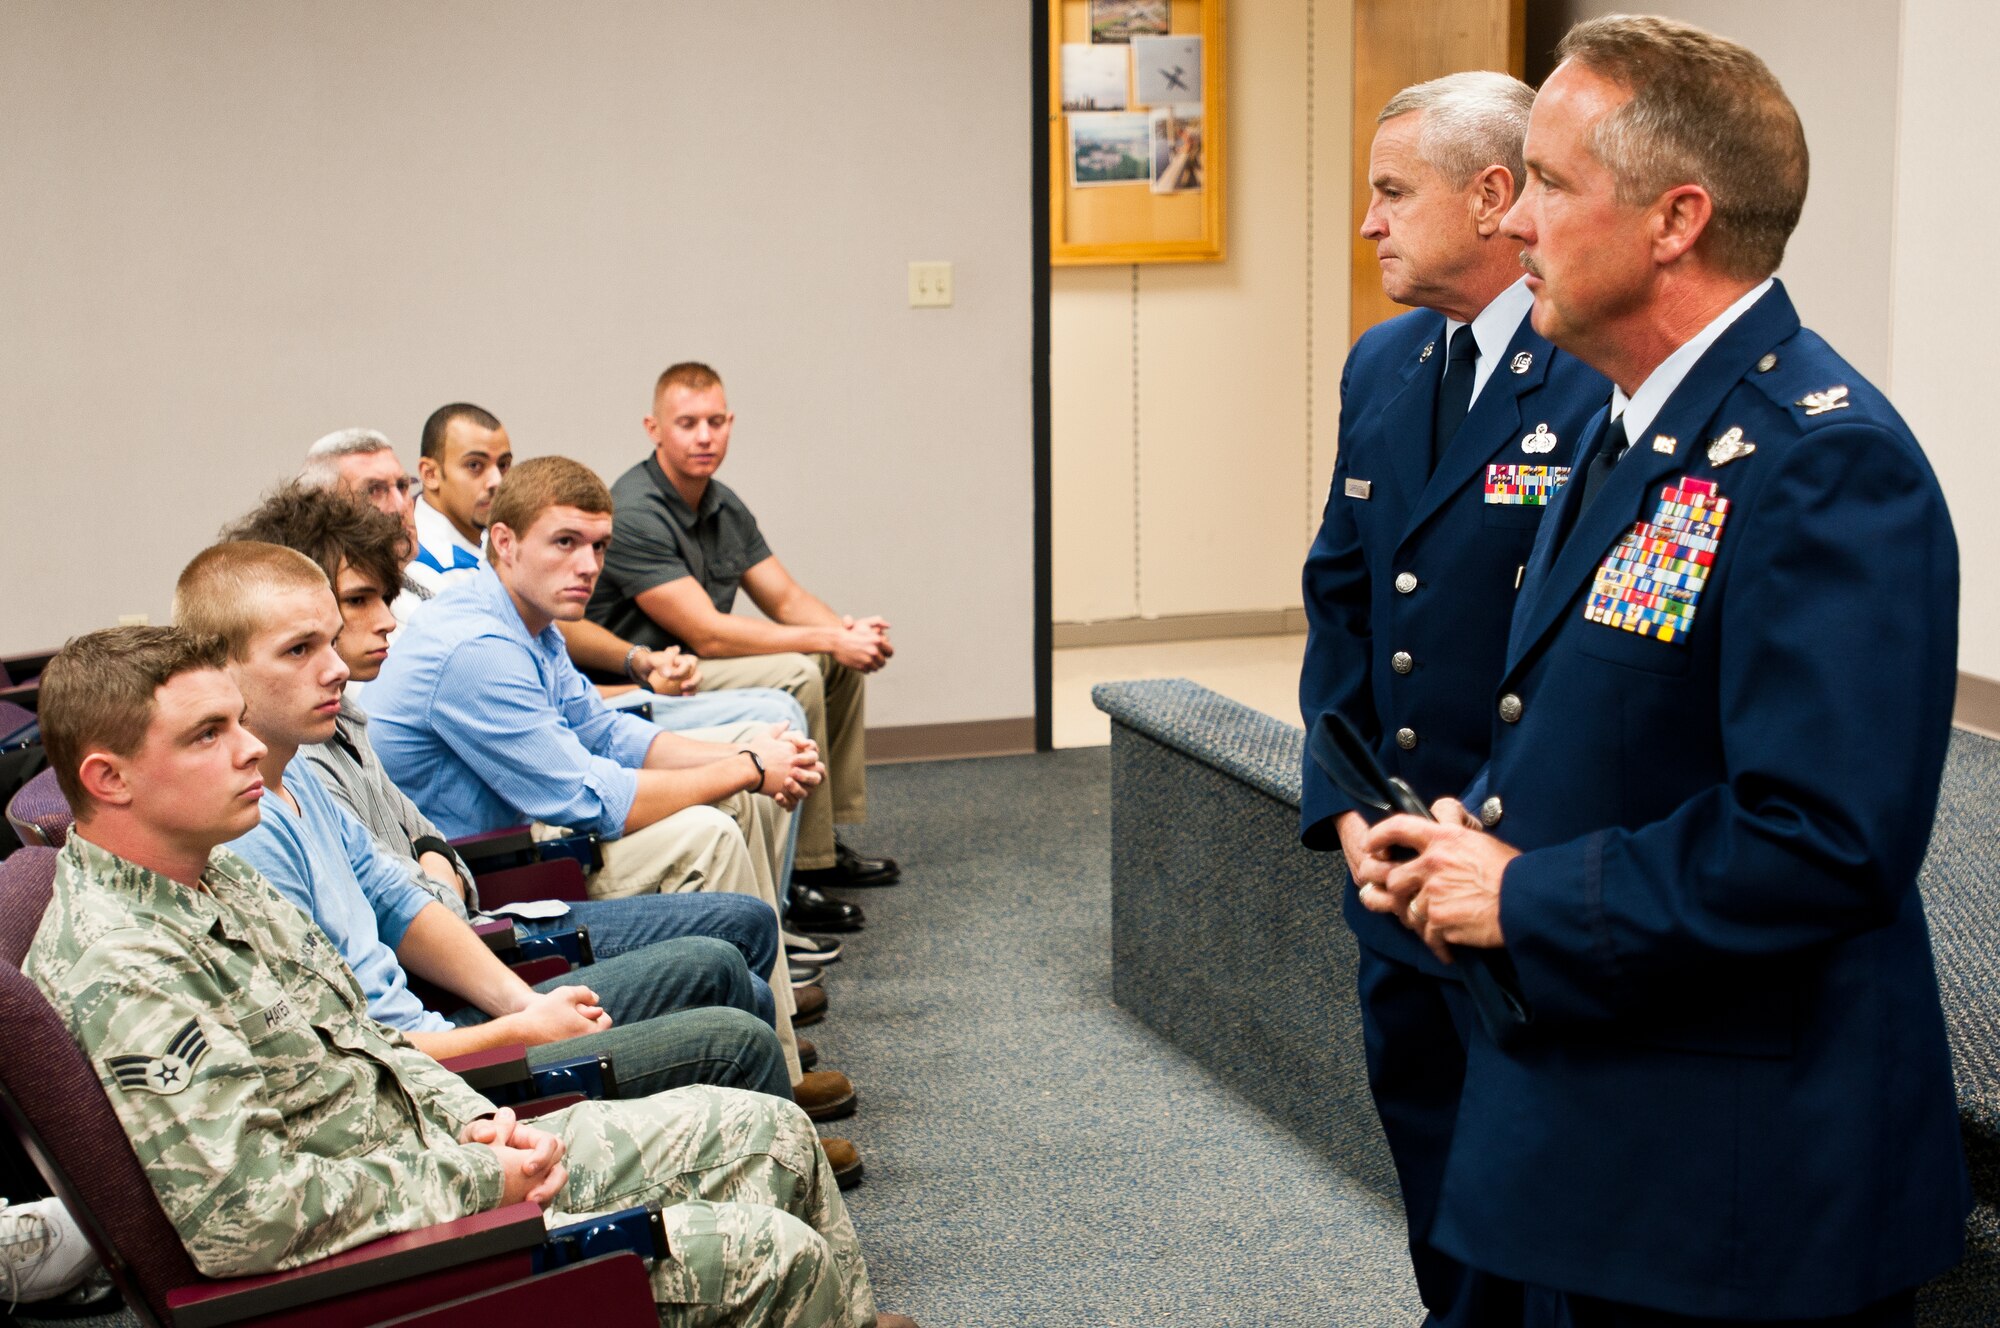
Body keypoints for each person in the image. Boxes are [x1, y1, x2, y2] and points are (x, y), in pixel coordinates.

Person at [1358, 16, 1969, 1325]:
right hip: (1601, 1110)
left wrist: (1523, 892)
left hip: (1736, 1176)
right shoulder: (1639, 424)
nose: (1514, 221)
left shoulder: (1822, 463)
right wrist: (1475, 829)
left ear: (1676, 219)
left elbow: (1821, 837)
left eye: (1553, 183)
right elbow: (1623, 723)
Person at [24, 627, 912, 1326]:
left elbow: (365, 1042)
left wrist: (480, 1125)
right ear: (109, 778)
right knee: (774, 1254)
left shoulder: (213, 872)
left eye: (235, 721)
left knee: (773, 1134)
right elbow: (248, 1219)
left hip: (433, 1161)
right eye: (207, 735)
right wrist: (484, 1179)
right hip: (388, 1257)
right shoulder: (125, 966)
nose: (248, 748)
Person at [211, 485, 855, 1124]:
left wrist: (513, 993)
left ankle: (768, 1101)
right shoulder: (263, 808)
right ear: (505, 544)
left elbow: (419, 854)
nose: (381, 625)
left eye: (346, 625)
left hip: (457, 961)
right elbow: (359, 1050)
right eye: (306, 644)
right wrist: (740, 768)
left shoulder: (314, 759)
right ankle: (771, 1110)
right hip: (449, 1033)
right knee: (724, 939)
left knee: (731, 953)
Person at [1298, 71, 1607, 1328]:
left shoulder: (1589, 374)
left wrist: (1501, 845)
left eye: (1388, 191)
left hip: (1520, 868)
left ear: (1491, 199)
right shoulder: (1381, 363)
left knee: (1532, 1190)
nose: (1367, 223)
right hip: (1395, 864)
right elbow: (1342, 597)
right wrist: (1343, 802)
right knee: (1425, 1145)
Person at [363, 459, 835, 1075]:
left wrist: (743, 760)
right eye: (565, 543)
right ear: (504, 543)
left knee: (733, 790)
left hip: (518, 835)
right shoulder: (476, 647)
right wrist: (748, 766)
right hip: (483, 872)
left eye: (599, 546)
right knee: (708, 829)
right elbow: (588, 799)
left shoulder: (528, 621)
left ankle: (767, 1027)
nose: (588, 565)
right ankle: (774, 1067)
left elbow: (606, 734)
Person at [586, 362, 900, 912]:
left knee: (834, 659)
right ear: (653, 428)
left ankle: (821, 846)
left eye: (715, 421)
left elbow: (784, 598)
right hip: (645, 675)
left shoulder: (721, 502)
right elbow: (707, 634)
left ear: (730, 422)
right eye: (687, 423)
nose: (704, 436)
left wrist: (847, 634)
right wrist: (828, 640)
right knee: (801, 668)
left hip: (697, 663)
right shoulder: (635, 509)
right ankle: (796, 866)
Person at [408, 402, 511, 597]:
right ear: (430, 474)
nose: (497, 481)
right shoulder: (413, 563)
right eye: (474, 465)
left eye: (503, 465)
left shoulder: (502, 541)